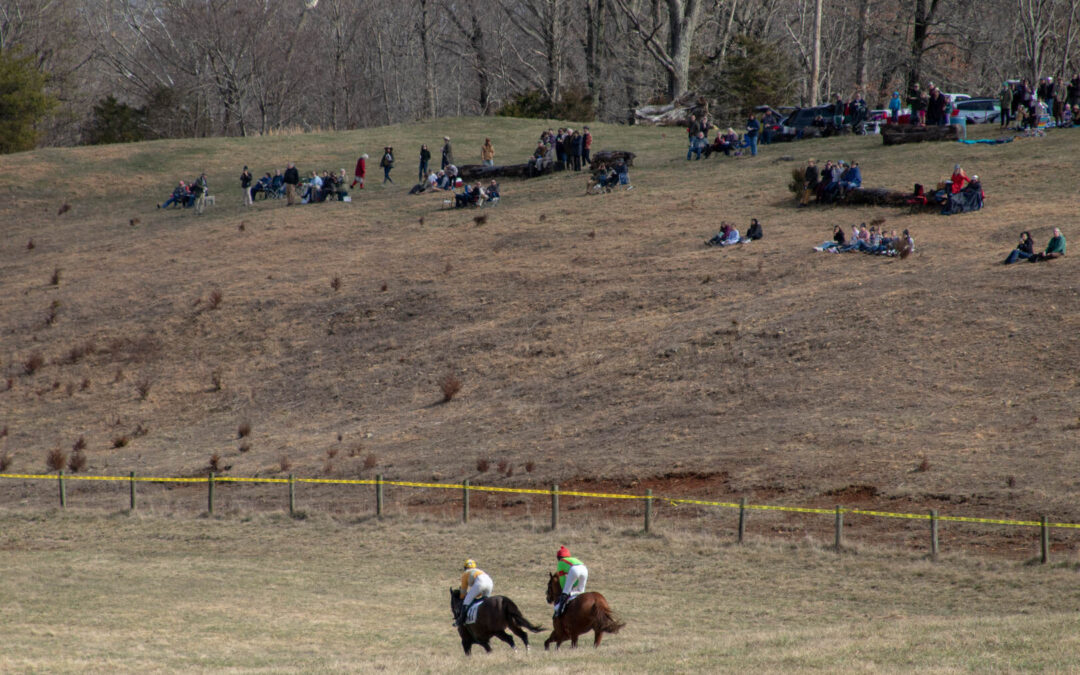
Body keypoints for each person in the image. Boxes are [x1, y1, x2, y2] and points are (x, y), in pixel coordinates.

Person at [455, 559, 493, 626]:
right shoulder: (479, 571)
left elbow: (463, 590)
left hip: (480, 583)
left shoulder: (466, 573)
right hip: (490, 582)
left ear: (465, 568)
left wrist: (462, 598)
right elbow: (478, 592)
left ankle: (461, 620)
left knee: (466, 601)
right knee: (484, 602)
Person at [553, 546, 587, 618]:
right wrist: (574, 585)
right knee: (581, 591)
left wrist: (564, 589)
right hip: (585, 569)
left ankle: (559, 612)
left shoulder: (561, 562)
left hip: (574, 569)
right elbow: (575, 579)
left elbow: (562, 578)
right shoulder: (574, 559)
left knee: (565, 592)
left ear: (559, 557)